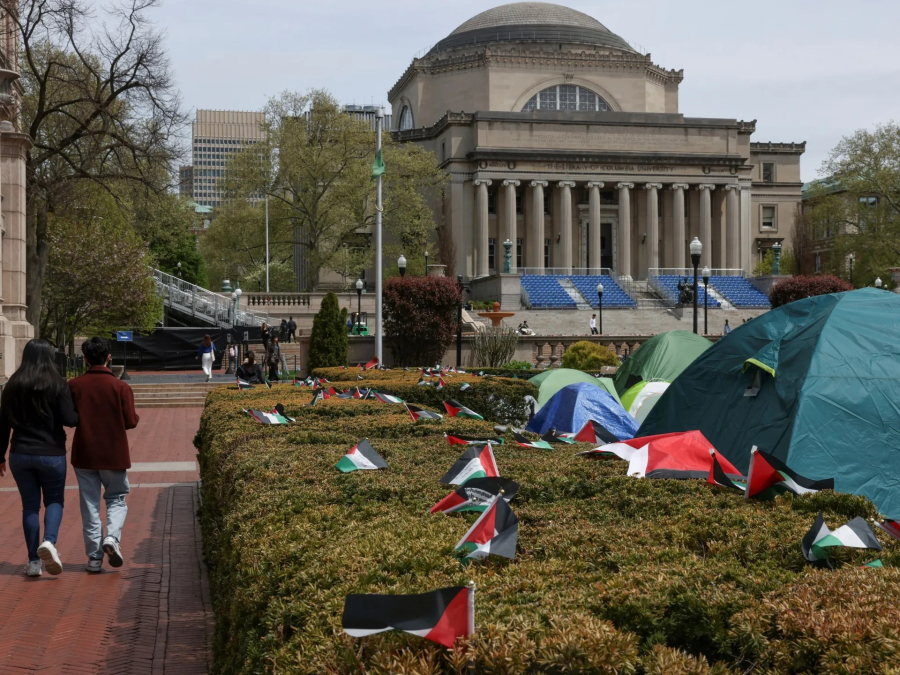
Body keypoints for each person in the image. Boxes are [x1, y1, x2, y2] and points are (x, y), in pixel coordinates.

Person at [0, 339, 78, 577]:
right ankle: (49, 542)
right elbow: (70, 420)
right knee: (54, 501)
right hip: (51, 452)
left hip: (20, 453)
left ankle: (34, 562)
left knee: (30, 506)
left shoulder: (13, 384)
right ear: (49, 357)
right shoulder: (57, 384)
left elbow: (3, 423)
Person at [68, 337, 140, 573]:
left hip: (85, 452)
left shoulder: (74, 385)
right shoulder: (121, 387)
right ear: (109, 357)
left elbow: (70, 418)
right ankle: (112, 538)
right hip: (113, 452)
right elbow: (130, 422)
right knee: (117, 498)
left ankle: (94, 558)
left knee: (89, 505)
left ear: (85, 359)